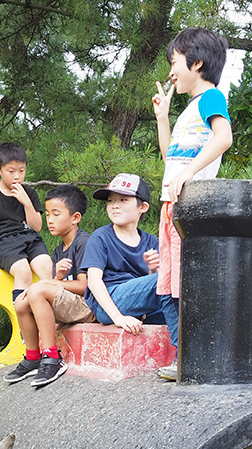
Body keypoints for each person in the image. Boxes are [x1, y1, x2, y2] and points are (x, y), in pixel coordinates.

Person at [152, 27, 233, 379]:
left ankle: (193, 357)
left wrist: (190, 174)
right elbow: (170, 156)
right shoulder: (190, 109)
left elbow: (224, 138)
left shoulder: (211, 97)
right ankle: (182, 355)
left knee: (186, 285)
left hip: (191, 207)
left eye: (175, 61)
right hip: (171, 206)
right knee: (167, 285)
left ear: (197, 62)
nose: (171, 70)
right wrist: (162, 118)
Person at [4, 184, 93, 387]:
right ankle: (33, 356)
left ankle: (52, 357)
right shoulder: (59, 250)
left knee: (38, 289)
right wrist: (58, 278)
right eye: (48, 215)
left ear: (75, 217)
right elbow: (59, 287)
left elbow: (85, 286)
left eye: (56, 214)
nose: (50, 220)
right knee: (21, 301)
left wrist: (51, 281)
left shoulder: (84, 242)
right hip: (70, 305)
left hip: (88, 306)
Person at [81, 173, 178, 354]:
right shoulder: (101, 236)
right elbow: (94, 281)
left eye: (123, 199)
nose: (114, 205)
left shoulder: (151, 241)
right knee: (169, 277)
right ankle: (183, 356)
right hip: (110, 302)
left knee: (179, 297)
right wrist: (117, 317)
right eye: (110, 200)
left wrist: (153, 268)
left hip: (140, 306)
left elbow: (157, 288)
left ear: (143, 207)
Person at [0, 142, 53, 301]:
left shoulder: (29, 193)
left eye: (21, 171)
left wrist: (26, 202)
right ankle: (22, 318)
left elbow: (36, 227)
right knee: (23, 272)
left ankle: (56, 317)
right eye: (11, 171)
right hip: (4, 242)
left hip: (30, 238)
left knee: (48, 269)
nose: (17, 176)